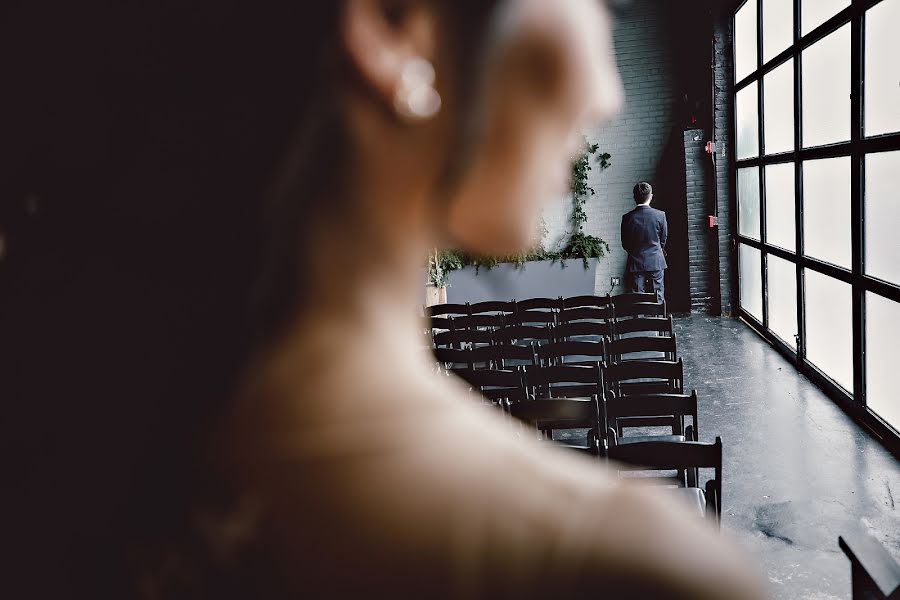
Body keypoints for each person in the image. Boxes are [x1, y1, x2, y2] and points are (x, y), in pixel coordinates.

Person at [0, 1, 766, 598]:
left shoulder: (66, 451)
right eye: (596, 5)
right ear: (391, 24)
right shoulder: (628, 569)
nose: (604, 91)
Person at [621, 181, 669, 303]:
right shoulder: (660, 215)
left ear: (634, 197)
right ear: (651, 196)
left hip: (636, 261)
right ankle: (659, 320)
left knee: (637, 297)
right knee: (658, 294)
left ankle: (640, 320)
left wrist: (635, 252)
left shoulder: (627, 218)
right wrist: (658, 249)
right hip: (656, 260)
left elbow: (625, 243)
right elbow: (663, 239)